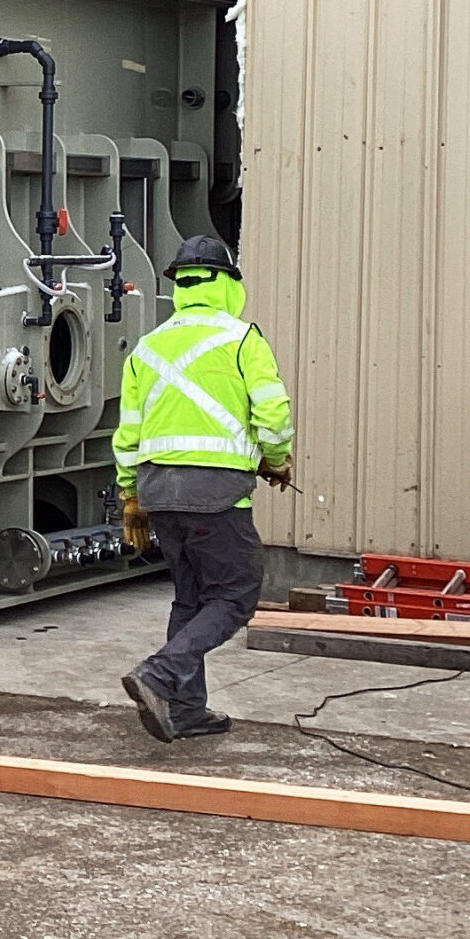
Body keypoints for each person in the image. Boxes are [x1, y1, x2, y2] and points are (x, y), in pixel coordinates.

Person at [112, 232, 293, 741]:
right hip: (216, 497)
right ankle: (160, 674)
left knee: (190, 598)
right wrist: (277, 461)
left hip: (158, 493)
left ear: (181, 287)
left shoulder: (146, 350)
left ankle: (187, 710)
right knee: (235, 595)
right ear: (229, 284)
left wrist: (132, 498)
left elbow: (128, 433)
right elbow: (274, 415)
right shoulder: (242, 341)